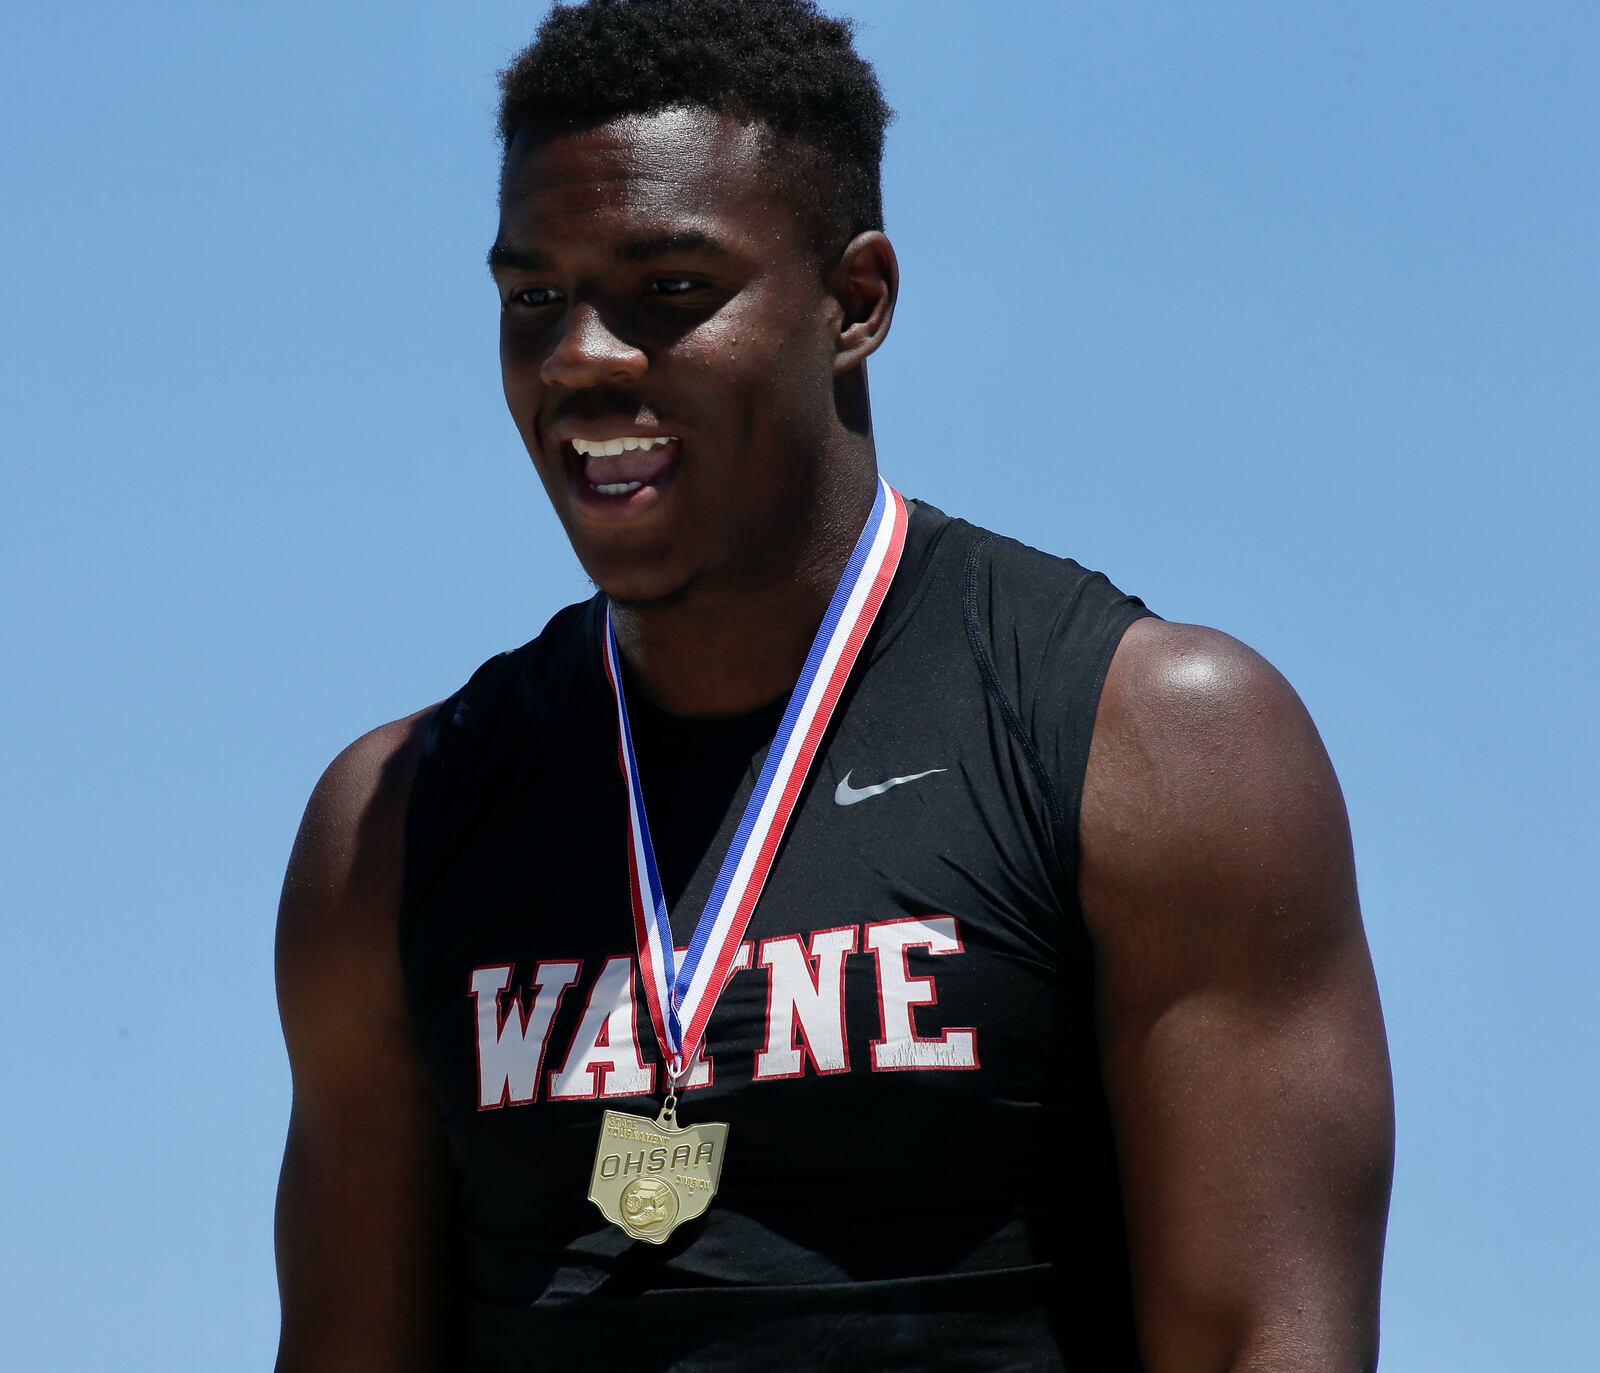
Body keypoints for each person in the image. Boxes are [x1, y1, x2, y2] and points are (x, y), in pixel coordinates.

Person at [273, 1, 1394, 1368]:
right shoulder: (390, 826)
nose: (581, 356)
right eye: (533, 297)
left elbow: (1259, 1339)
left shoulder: (1153, 741)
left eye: (668, 288)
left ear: (854, 303)